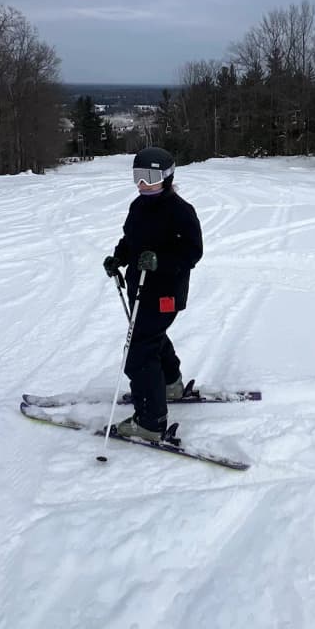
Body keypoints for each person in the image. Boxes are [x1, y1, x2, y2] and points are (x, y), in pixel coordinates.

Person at [102, 147, 203, 440]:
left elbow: (192, 253)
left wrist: (161, 262)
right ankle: (170, 383)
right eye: (138, 176)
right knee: (150, 337)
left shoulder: (181, 211)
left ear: (167, 177)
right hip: (140, 289)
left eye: (150, 176)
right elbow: (130, 239)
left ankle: (150, 421)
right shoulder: (138, 206)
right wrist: (118, 257)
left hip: (165, 293)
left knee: (138, 353)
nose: (142, 183)